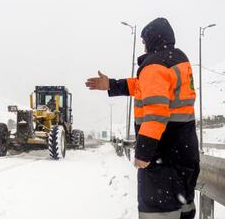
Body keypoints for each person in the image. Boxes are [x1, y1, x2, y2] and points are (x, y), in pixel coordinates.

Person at [85, 18, 200, 219]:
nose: (144, 46)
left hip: (163, 155)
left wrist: (144, 152)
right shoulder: (178, 61)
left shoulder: (155, 65)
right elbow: (141, 86)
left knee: (158, 213)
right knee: (183, 210)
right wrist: (111, 85)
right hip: (184, 151)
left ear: (152, 38)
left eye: (144, 41)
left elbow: (156, 112)